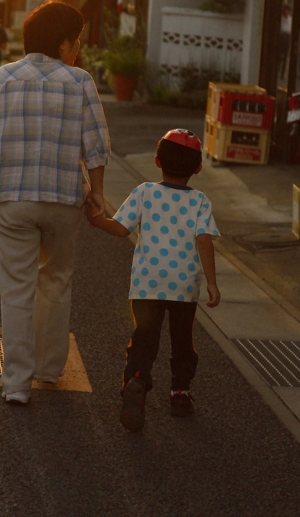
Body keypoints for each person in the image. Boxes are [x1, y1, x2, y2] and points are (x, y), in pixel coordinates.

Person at [0, 0, 110, 406]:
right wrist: (96, 192)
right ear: (63, 44)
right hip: (63, 197)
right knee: (56, 279)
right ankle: (48, 369)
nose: (77, 49)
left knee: (16, 290)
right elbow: (96, 145)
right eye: (76, 41)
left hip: (10, 198)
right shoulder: (80, 82)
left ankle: (16, 384)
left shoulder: (0, 78)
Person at [86, 129, 220, 433]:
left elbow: (120, 229)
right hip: (184, 285)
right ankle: (180, 393)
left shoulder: (144, 191)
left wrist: (97, 220)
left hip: (148, 283)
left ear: (157, 160)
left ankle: (136, 377)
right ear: (198, 168)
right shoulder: (200, 201)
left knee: (145, 335)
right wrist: (211, 283)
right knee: (182, 339)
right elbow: (204, 240)